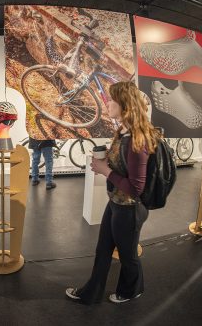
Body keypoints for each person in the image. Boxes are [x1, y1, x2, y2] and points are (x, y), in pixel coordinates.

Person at [66, 81, 159, 305]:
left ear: (125, 105)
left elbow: (136, 188)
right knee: (103, 250)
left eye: (112, 100)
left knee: (128, 256)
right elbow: (124, 166)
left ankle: (132, 290)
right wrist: (109, 157)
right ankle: (92, 292)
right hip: (117, 203)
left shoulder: (137, 139)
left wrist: (105, 169)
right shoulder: (123, 132)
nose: (107, 103)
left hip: (129, 208)